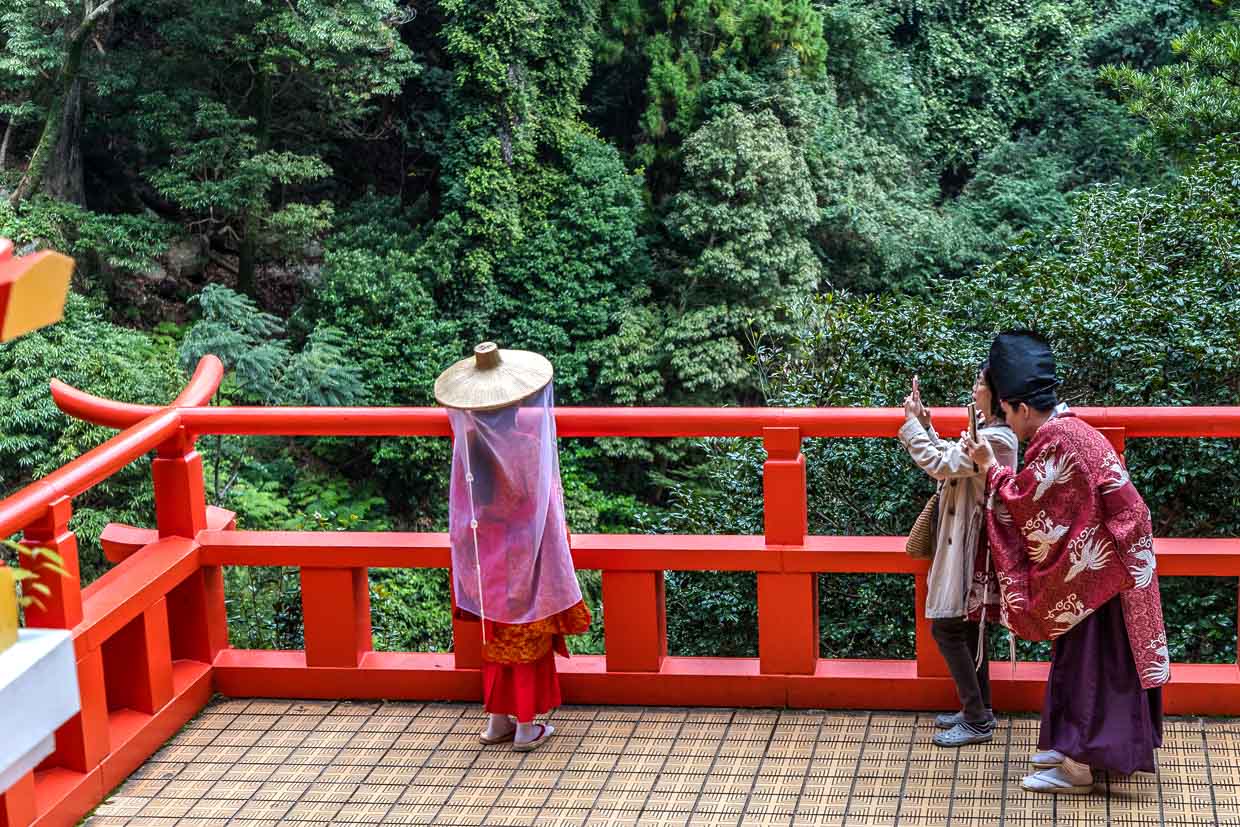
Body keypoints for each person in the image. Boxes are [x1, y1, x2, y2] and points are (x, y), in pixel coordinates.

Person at [962, 331, 1167, 795]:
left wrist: (988, 467)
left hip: (1104, 575)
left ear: (1022, 407)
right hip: (1111, 566)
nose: (1009, 424)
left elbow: (1024, 504)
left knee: (1091, 667)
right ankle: (1070, 745)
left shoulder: (1057, 442)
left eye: (1007, 413)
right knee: (1087, 662)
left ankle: (1078, 766)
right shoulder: (1072, 429)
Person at [435, 342, 592, 752]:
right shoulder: (527, 443)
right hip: (525, 550)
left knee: (496, 633)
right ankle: (525, 726)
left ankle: (496, 721)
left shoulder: (468, 447)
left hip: (485, 551)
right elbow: (541, 502)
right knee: (527, 631)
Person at [899, 366, 1018, 748]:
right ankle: (979, 710)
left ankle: (976, 718)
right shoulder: (987, 431)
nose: (974, 387)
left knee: (949, 628)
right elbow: (950, 465)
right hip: (966, 541)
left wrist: (912, 426)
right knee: (969, 628)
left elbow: (940, 464)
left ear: (997, 394)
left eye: (980, 382)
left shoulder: (997, 439)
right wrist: (925, 425)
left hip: (975, 547)